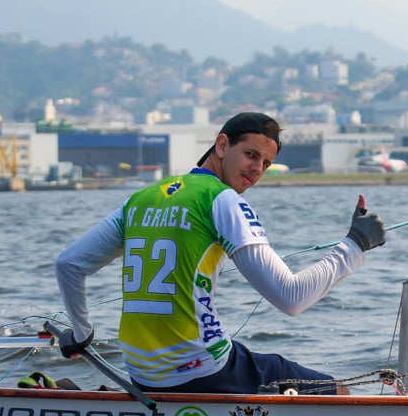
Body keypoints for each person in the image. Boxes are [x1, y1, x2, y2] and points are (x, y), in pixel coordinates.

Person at [54, 111, 386, 394]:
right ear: (222, 145)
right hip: (202, 370)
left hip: (142, 373)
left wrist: (82, 335)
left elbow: (68, 265)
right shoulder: (222, 200)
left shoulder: (140, 199)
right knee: (338, 390)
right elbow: (291, 298)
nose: (257, 169)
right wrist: (354, 245)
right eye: (251, 155)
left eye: (266, 163)